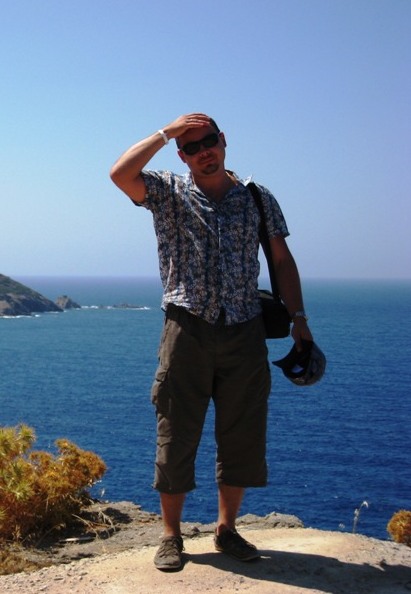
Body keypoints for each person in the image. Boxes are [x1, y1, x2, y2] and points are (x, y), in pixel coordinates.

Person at [109, 113, 314, 571]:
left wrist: (299, 318)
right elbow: (120, 174)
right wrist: (165, 133)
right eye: (192, 147)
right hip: (187, 329)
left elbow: (282, 260)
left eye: (209, 142)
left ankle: (227, 530)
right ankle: (171, 536)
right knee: (176, 431)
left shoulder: (258, 197)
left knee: (242, 433)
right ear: (182, 155)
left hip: (245, 328)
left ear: (223, 141)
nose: (203, 152)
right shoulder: (168, 191)